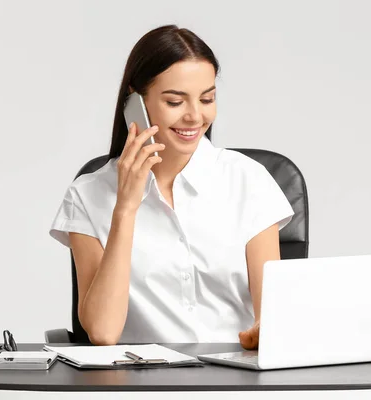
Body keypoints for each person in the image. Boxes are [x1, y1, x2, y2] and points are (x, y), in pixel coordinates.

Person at [49, 25, 294, 349]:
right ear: (135, 101)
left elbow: (273, 319)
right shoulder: (89, 194)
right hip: (138, 385)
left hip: (235, 380)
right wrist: (126, 207)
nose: (195, 116)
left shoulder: (249, 180)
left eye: (207, 98)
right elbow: (103, 332)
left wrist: (266, 332)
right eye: (175, 101)